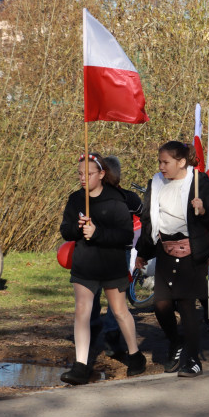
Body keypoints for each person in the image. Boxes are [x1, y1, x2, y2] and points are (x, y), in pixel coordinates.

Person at [136, 142, 209, 378]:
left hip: (192, 252)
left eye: (166, 162)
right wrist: (142, 252)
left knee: (186, 306)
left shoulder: (199, 182)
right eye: (160, 162)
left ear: (181, 162)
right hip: (165, 249)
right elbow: (148, 218)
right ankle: (177, 342)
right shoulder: (155, 182)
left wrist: (203, 211)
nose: (162, 167)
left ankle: (193, 360)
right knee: (161, 305)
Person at [59, 153, 144, 385]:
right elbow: (66, 230)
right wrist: (78, 230)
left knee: (119, 312)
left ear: (102, 174)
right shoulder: (76, 199)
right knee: (82, 311)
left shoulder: (116, 199)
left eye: (89, 174)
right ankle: (81, 365)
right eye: (79, 174)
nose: (83, 178)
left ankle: (135, 355)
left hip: (112, 265)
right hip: (85, 265)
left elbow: (126, 236)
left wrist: (98, 233)